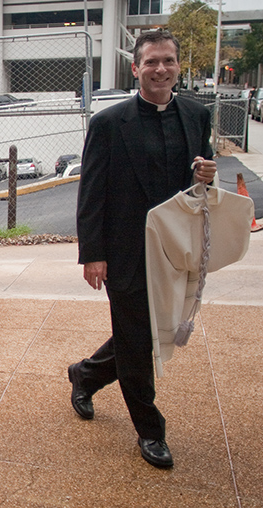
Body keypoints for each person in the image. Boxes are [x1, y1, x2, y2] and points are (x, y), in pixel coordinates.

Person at [70, 30, 217, 469]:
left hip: (174, 249)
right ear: (136, 68)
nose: (160, 69)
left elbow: (198, 176)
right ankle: (150, 431)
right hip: (125, 250)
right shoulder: (109, 123)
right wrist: (92, 252)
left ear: (177, 66)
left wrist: (207, 172)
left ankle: (86, 373)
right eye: (151, 62)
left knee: (152, 331)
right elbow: (91, 193)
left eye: (168, 61)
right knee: (137, 339)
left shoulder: (196, 115)